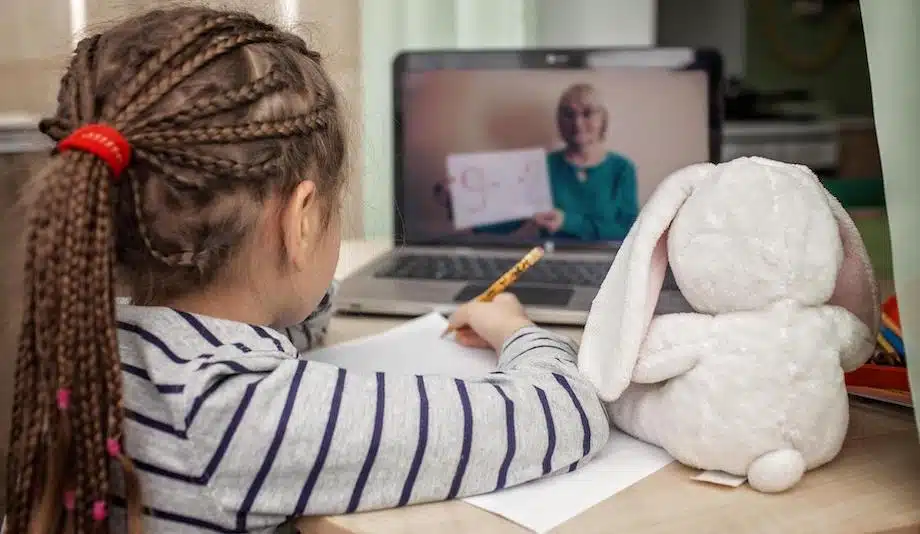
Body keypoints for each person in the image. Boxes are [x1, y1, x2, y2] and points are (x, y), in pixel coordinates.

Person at [5, 7, 610, 534]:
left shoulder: (94, 339)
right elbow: (566, 412)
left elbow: (281, 331)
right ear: (300, 221)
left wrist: (293, 294)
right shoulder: (241, 416)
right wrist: (514, 330)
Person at [474, 83, 640, 241]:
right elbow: (507, 222)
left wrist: (567, 222)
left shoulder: (622, 169)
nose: (577, 123)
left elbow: (629, 232)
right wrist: (464, 207)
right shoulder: (541, 166)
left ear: (603, 119)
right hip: (549, 258)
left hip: (608, 261)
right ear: (559, 121)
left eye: (587, 113)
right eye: (568, 114)